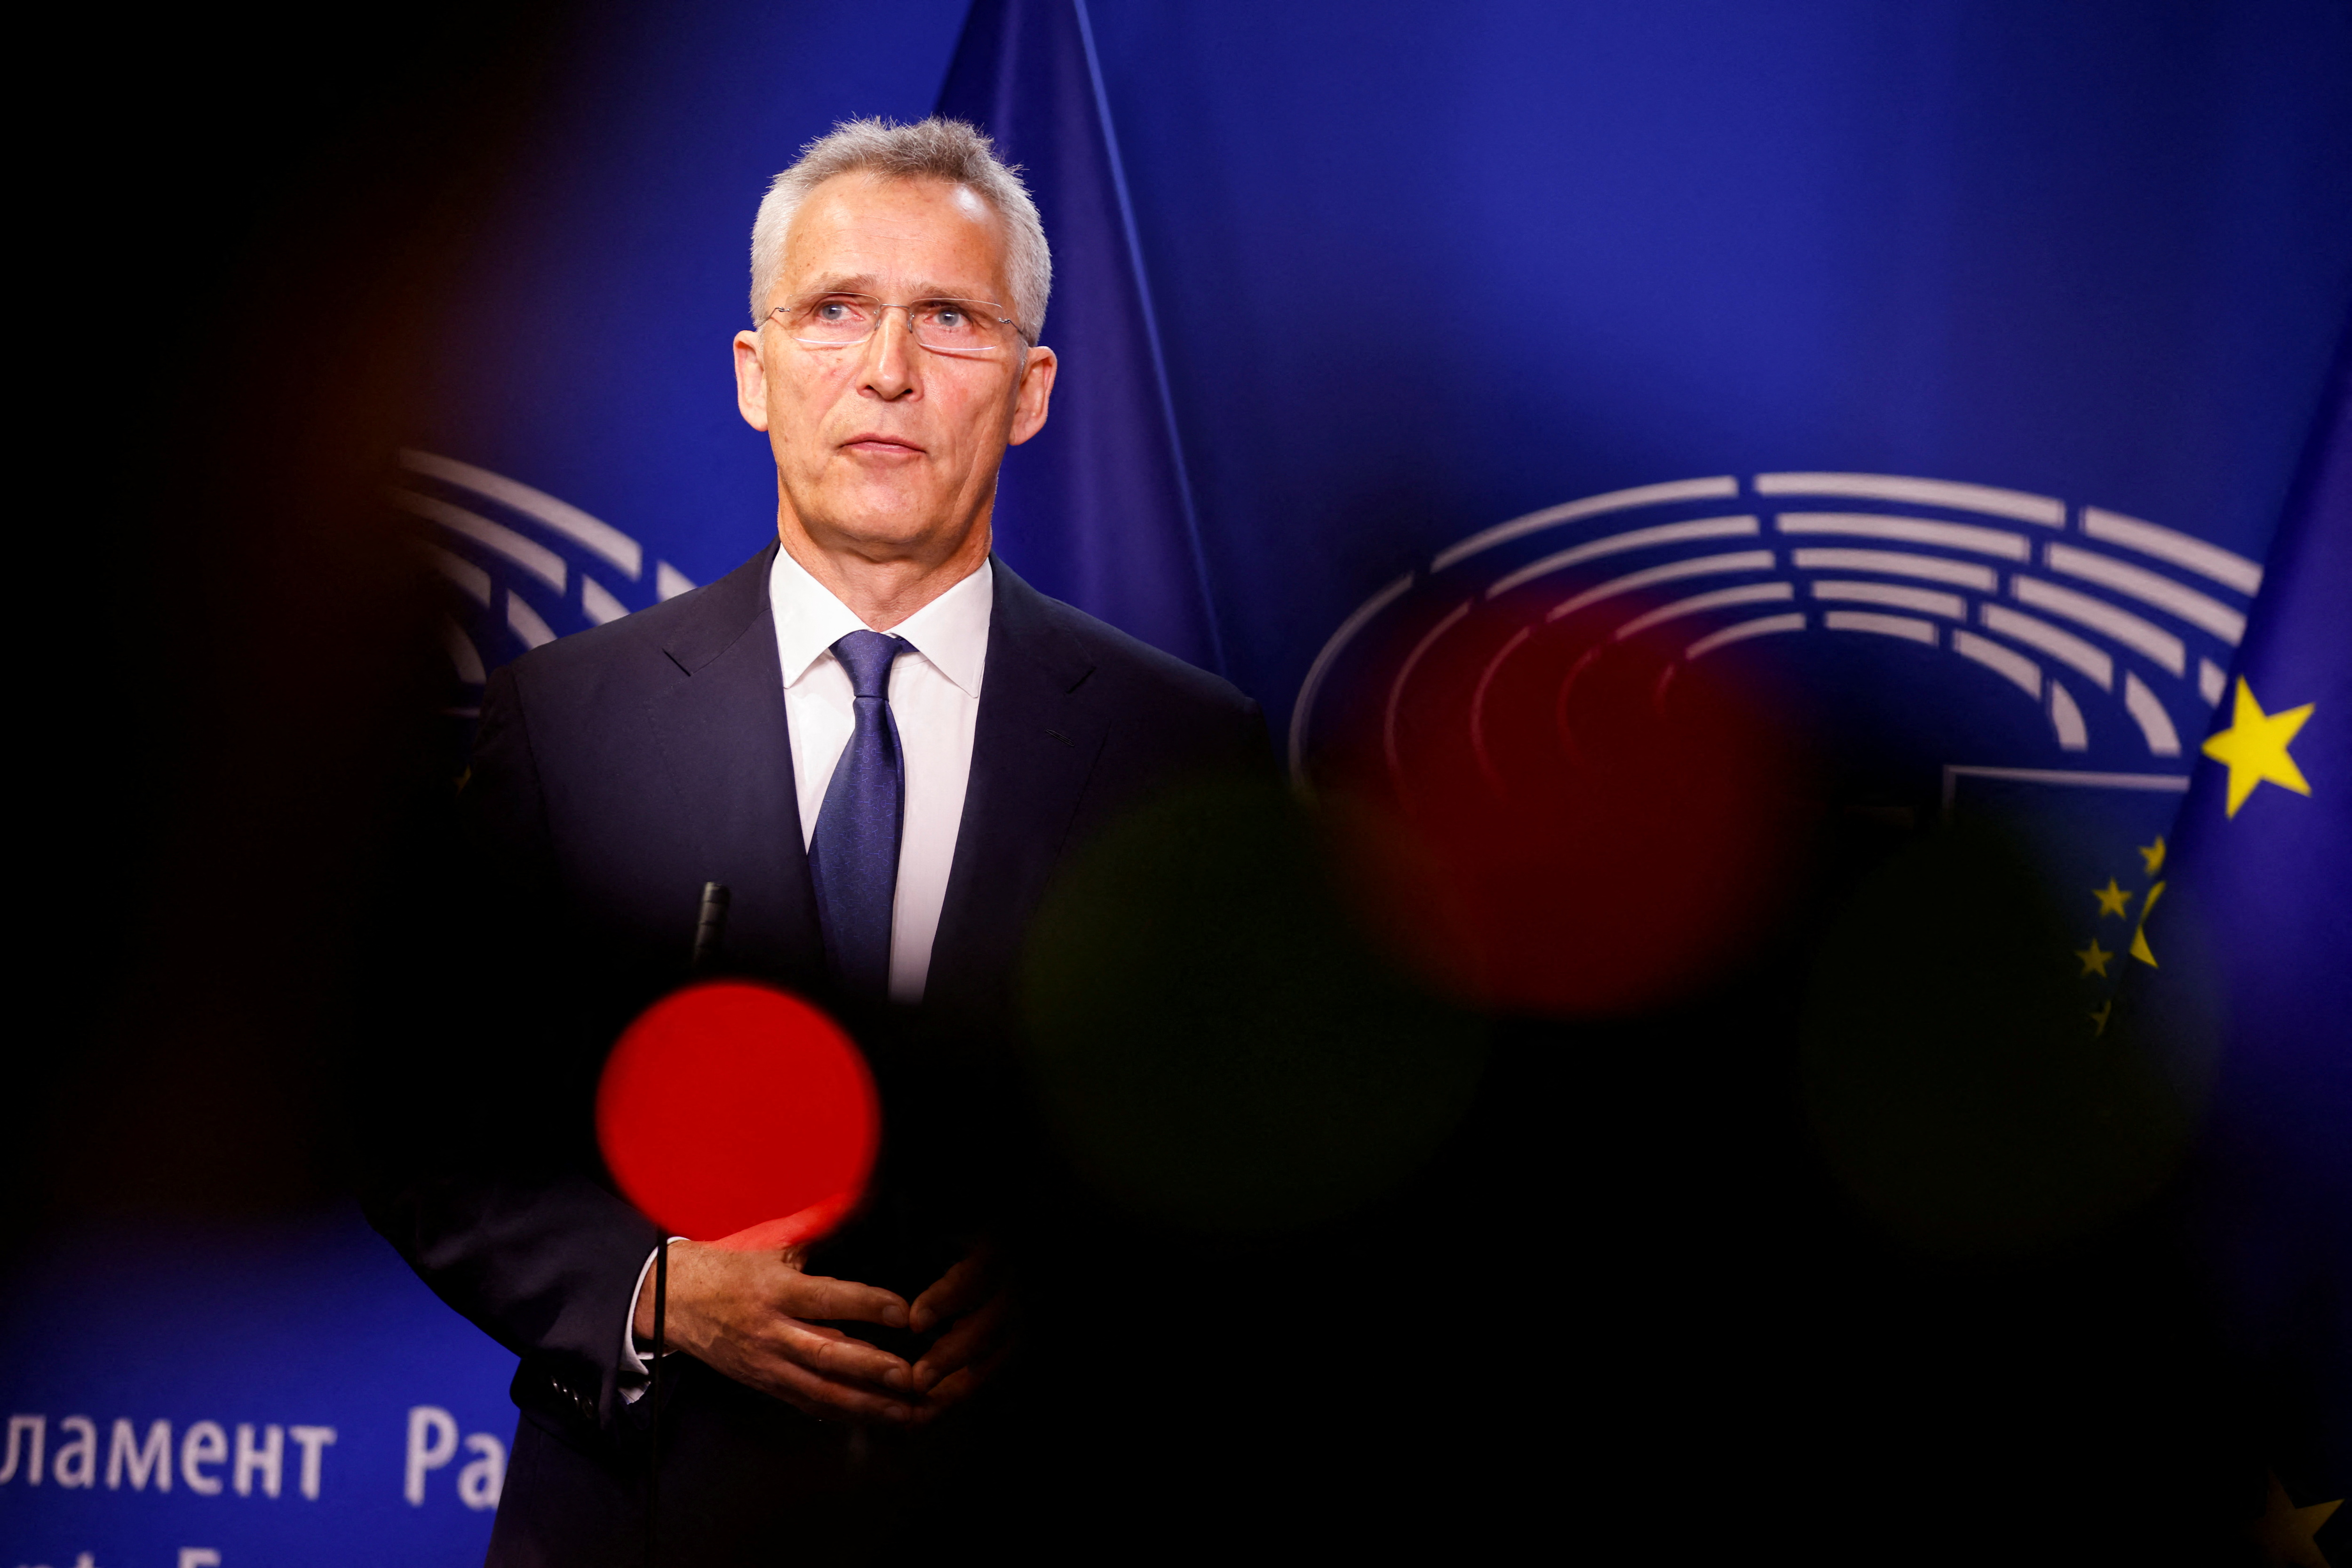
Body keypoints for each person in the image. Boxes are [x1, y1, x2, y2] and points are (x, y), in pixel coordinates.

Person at [363, 117, 1264, 1562]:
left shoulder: (1189, 751)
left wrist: (1086, 1285)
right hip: (647, 1516)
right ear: (755, 372)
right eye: (836, 311)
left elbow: (1262, 1152)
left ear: (1031, 392)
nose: (889, 373)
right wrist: (652, 1288)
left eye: (949, 319)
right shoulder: (567, 718)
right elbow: (414, 1108)